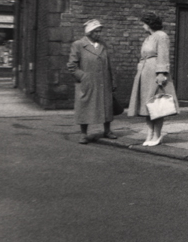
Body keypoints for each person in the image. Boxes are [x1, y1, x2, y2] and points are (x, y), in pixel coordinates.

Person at [128, 12, 179, 146]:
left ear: (150, 23)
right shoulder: (148, 38)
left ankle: (157, 135)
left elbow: (163, 55)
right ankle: (149, 134)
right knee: (147, 106)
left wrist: (161, 73)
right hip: (145, 74)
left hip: (155, 74)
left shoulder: (161, 36)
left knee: (157, 105)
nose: (143, 26)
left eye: (144, 23)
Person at [67, 19, 117, 144]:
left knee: (106, 105)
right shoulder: (78, 45)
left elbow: (109, 64)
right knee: (85, 106)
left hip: (104, 81)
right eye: (96, 31)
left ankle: (107, 130)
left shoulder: (102, 45)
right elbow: (72, 65)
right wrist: (83, 77)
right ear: (89, 32)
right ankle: (83, 134)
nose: (99, 34)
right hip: (88, 82)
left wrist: (113, 80)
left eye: (99, 31)